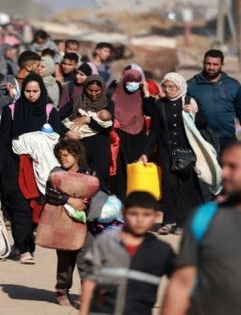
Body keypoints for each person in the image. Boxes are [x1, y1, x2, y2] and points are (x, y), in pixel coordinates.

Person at [0, 74, 62, 265]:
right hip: (14, 166)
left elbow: (58, 139)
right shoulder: (11, 110)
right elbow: (3, 140)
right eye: (27, 91)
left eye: (35, 91)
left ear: (42, 91)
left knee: (36, 207)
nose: (31, 95)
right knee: (19, 208)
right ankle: (25, 250)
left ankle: (23, 243)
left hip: (40, 168)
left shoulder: (49, 111)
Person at [161, 143, 241, 315]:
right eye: (223, 166)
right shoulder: (204, 217)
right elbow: (183, 281)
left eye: (232, 167)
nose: (224, 173)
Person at [80, 191, 175, 315]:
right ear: (124, 214)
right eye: (134, 214)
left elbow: (181, 282)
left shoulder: (162, 251)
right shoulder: (105, 242)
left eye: (146, 215)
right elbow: (89, 281)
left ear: (156, 217)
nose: (140, 219)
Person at [139, 72, 207, 235]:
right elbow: (155, 131)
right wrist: (146, 153)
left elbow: (204, 123)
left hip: (187, 152)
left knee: (186, 186)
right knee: (169, 185)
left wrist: (193, 113)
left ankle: (183, 223)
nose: (168, 90)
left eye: (172, 87)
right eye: (165, 86)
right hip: (166, 151)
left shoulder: (190, 101)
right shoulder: (160, 104)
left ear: (180, 87)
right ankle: (169, 221)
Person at [46, 139, 96, 306]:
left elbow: (97, 193)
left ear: (76, 154)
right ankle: (62, 290)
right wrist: (68, 200)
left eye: (66, 155)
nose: (62, 159)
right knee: (65, 262)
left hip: (86, 224)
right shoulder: (56, 173)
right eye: (59, 156)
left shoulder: (89, 172)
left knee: (86, 261)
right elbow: (49, 195)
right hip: (64, 223)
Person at [59, 75, 114, 186]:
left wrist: (89, 120)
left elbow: (108, 128)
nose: (93, 94)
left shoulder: (108, 104)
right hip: (79, 145)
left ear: (102, 89)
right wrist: (67, 132)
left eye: (97, 91)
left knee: (100, 179)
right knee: (79, 178)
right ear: (85, 88)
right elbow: (55, 118)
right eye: (90, 90)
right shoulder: (76, 101)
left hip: (100, 146)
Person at [109, 64, 154, 199]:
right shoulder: (115, 90)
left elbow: (152, 112)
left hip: (137, 136)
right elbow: (108, 108)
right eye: (130, 81)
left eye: (136, 82)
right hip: (117, 135)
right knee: (119, 171)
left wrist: (146, 94)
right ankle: (120, 202)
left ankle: (134, 200)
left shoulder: (141, 94)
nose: (133, 85)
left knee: (134, 170)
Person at [187, 49, 241, 150]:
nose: (211, 67)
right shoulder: (191, 85)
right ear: (203, 63)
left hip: (227, 138)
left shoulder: (233, 85)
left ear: (222, 65)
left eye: (215, 64)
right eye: (208, 63)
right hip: (201, 139)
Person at [0, 51, 42, 115]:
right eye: (38, 66)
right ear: (29, 67)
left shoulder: (36, 84)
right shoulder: (9, 85)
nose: (40, 68)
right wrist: (9, 97)